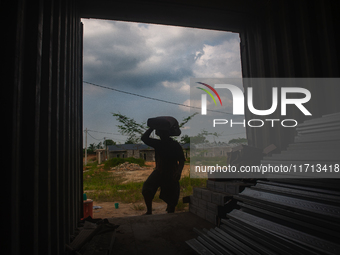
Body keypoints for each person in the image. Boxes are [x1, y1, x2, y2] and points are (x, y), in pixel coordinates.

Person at [141, 127, 185, 214]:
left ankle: (170, 212)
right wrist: (152, 127)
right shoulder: (158, 143)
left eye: (164, 132)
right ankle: (149, 211)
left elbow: (182, 160)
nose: (162, 134)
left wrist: (178, 172)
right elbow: (144, 138)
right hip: (159, 171)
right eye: (160, 132)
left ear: (168, 133)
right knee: (147, 189)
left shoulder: (175, 145)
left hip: (171, 172)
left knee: (172, 197)